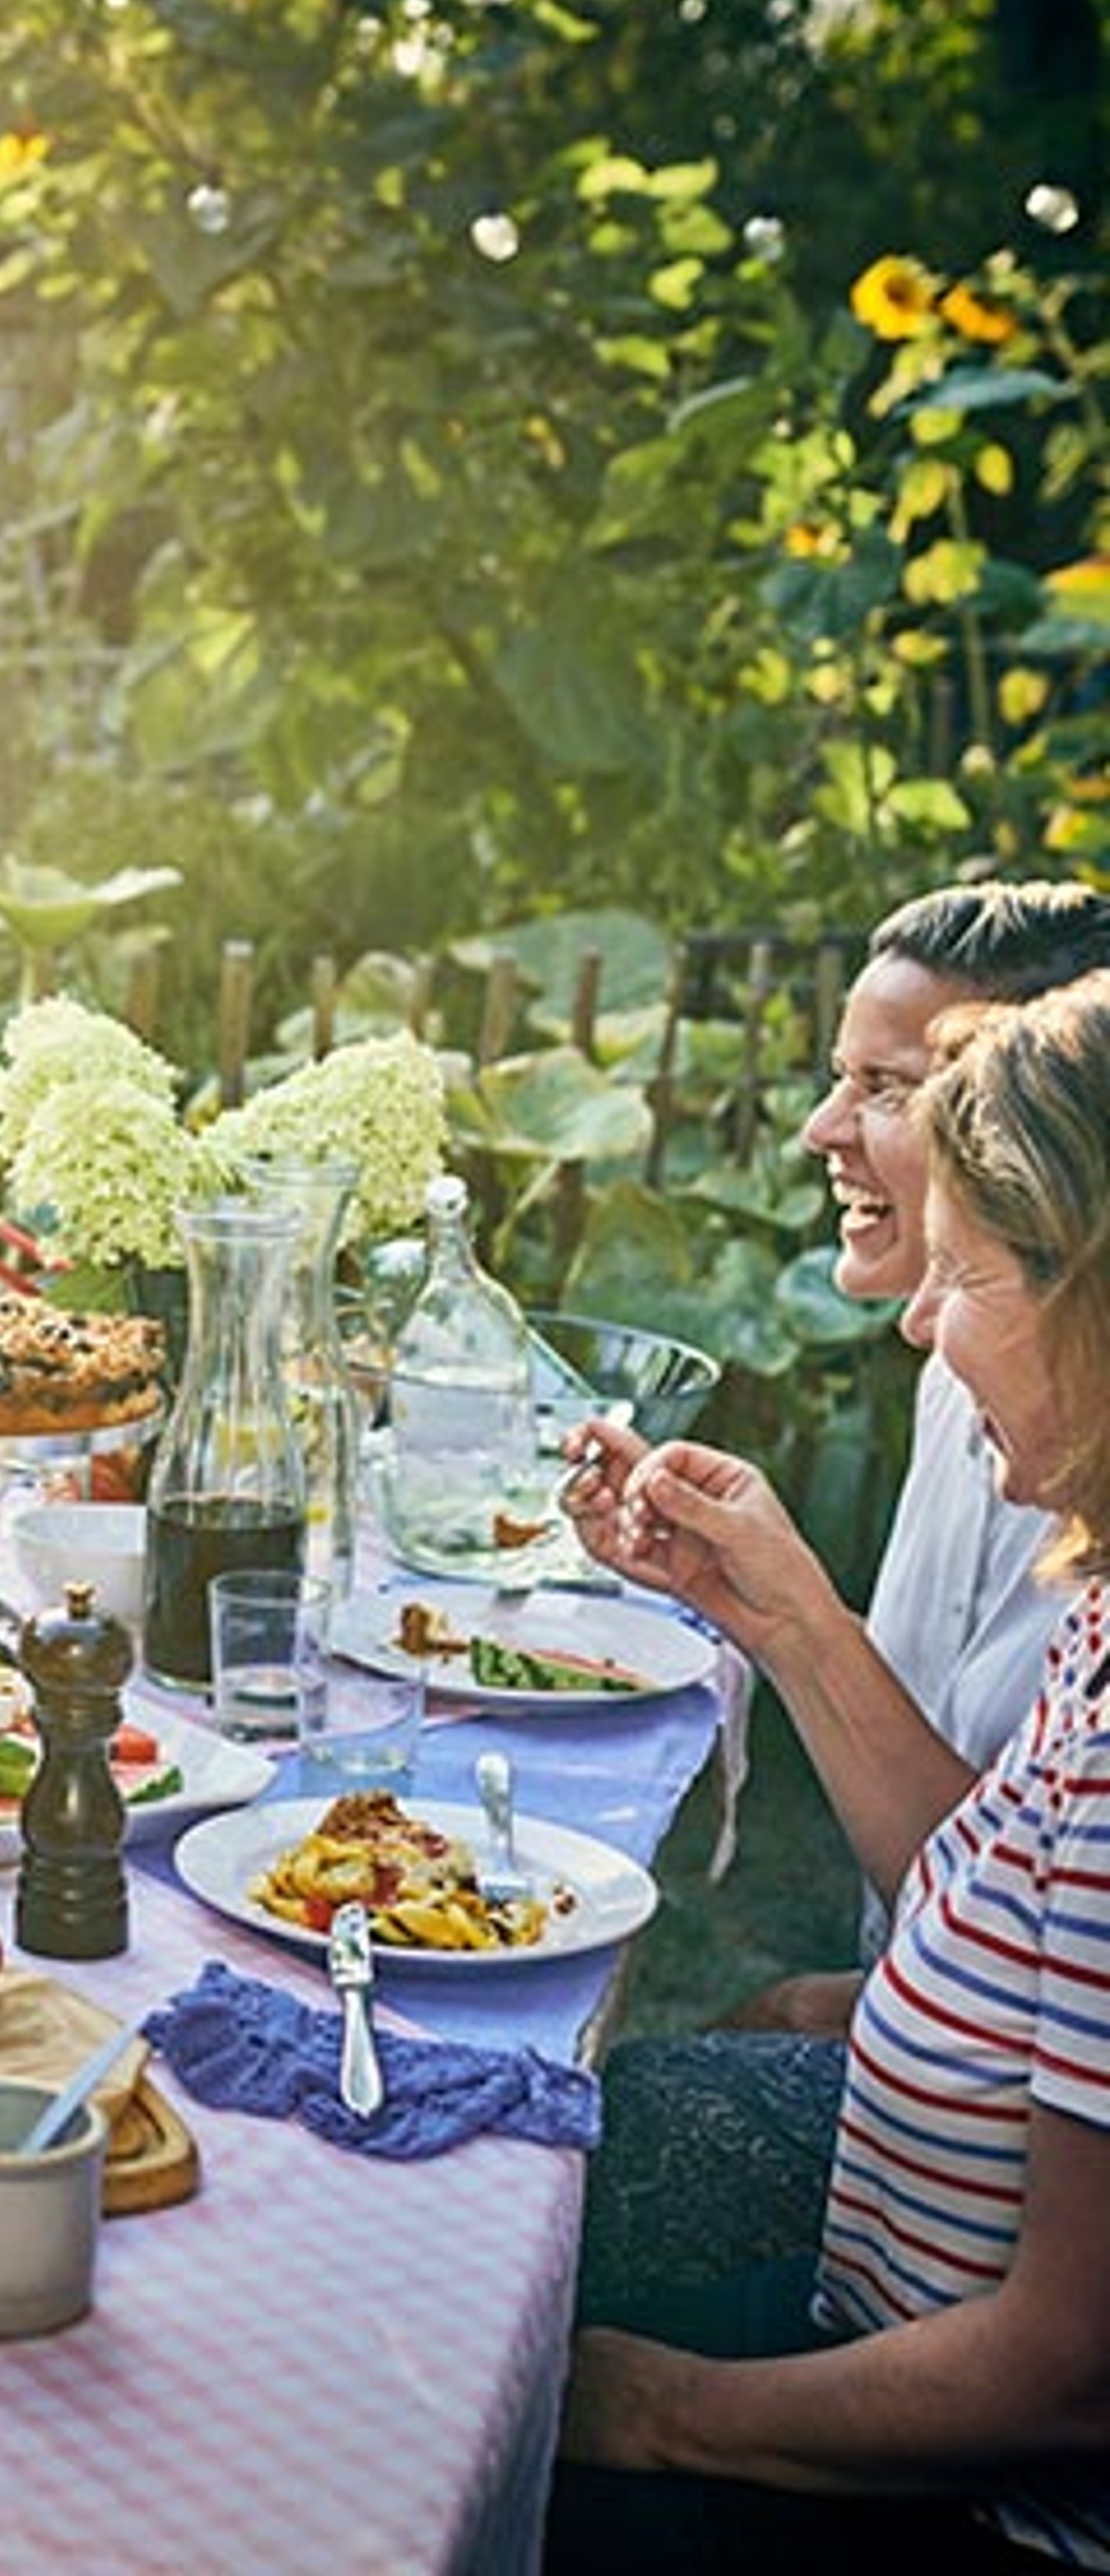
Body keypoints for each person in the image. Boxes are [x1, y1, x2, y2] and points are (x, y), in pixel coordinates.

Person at [548, 974, 1110, 2570]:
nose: (921, 1326)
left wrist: (670, 2410)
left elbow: (1069, 2379)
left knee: (425, 2392)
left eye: (965, 1281)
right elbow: (1001, 1904)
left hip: (998, 2514)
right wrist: (776, 1606)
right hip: (894, 2318)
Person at [579, 879, 1110, 2039]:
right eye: (840, 1077)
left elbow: (1045, 1951)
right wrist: (769, 1603)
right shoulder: (948, 1377)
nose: (820, 1130)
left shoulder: (1079, 1455)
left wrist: (827, 2011)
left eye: (885, 1090)